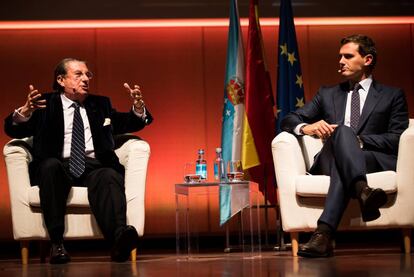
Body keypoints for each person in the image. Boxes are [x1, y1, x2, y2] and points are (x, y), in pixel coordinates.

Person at [4, 58, 153, 264]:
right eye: (78, 74)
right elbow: (13, 130)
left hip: (94, 167)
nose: (85, 79)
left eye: (87, 75)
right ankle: (57, 244)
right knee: (49, 167)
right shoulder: (45, 104)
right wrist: (25, 112)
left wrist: (138, 107)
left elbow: (129, 122)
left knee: (109, 174)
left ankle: (120, 241)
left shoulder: (100, 104)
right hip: (58, 166)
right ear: (61, 80)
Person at [281, 34, 409, 258]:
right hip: (329, 160)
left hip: (371, 159)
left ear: (367, 60)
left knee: (344, 141)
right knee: (341, 131)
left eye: (348, 56)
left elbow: (397, 138)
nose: (340, 61)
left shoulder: (392, 95)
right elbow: (288, 119)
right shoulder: (327, 93)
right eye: (340, 56)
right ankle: (363, 190)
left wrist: (358, 141)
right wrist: (305, 128)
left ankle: (323, 234)